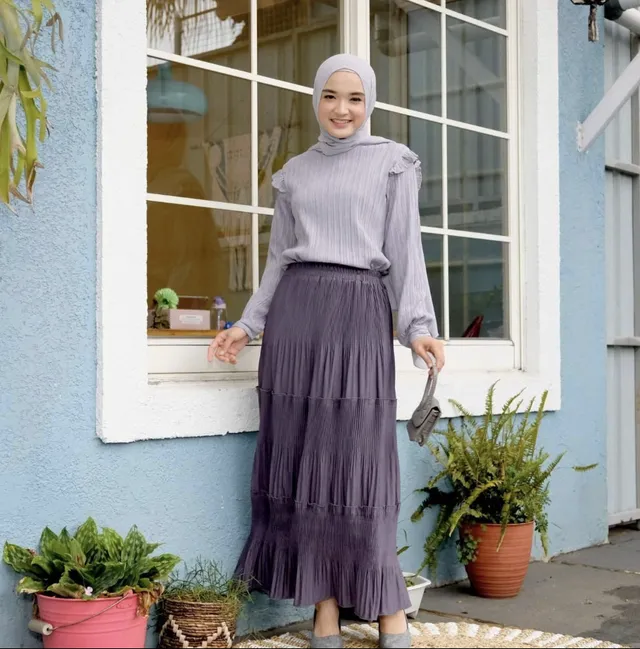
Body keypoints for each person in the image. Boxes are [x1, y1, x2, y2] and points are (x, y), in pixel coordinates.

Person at [208, 53, 445, 649]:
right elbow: (278, 260)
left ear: (370, 103)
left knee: (360, 464)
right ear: (316, 99)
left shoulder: (393, 162)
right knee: (305, 461)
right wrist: (247, 324)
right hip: (297, 319)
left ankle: (389, 609)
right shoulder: (294, 173)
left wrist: (417, 325)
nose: (342, 109)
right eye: (331, 96)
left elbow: (405, 250)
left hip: (359, 315)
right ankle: (325, 611)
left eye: (355, 98)